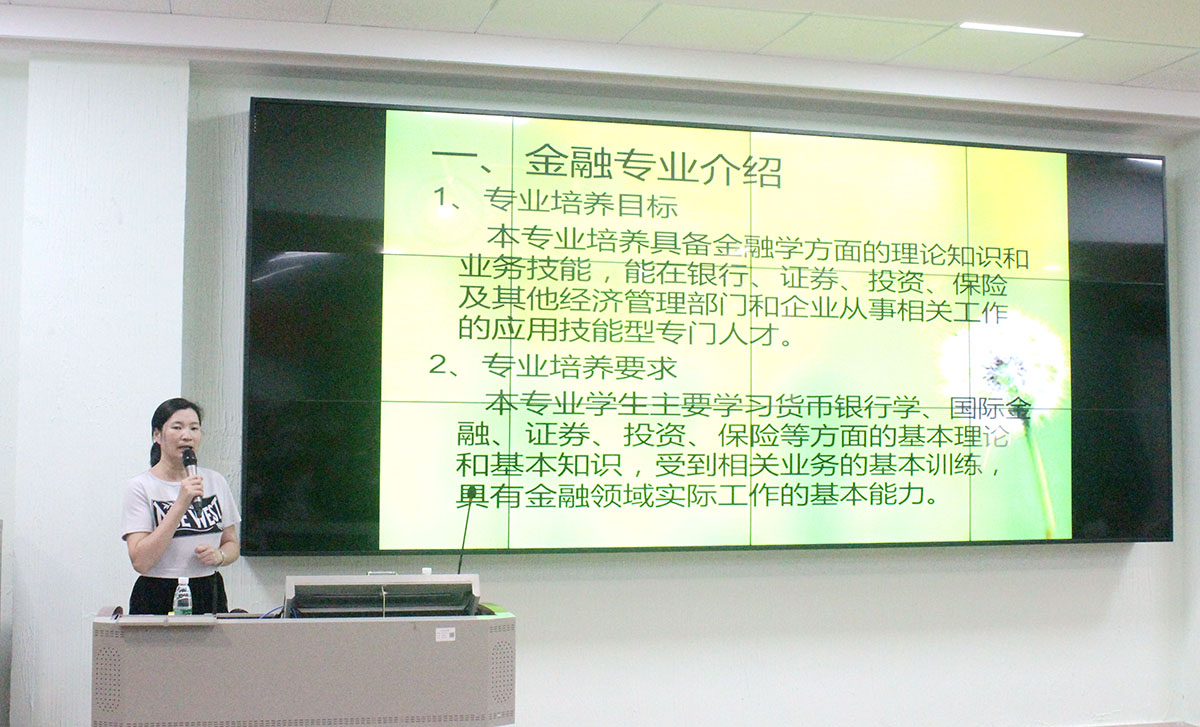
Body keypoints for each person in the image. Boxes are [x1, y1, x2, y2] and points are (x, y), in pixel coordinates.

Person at [122, 397, 241, 614]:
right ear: (157, 435)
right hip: (157, 591)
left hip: (208, 588)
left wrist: (220, 556)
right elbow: (140, 561)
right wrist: (180, 504)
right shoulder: (141, 486)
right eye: (177, 427)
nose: (187, 435)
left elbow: (231, 543)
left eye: (194, 428)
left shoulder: (215, 481)